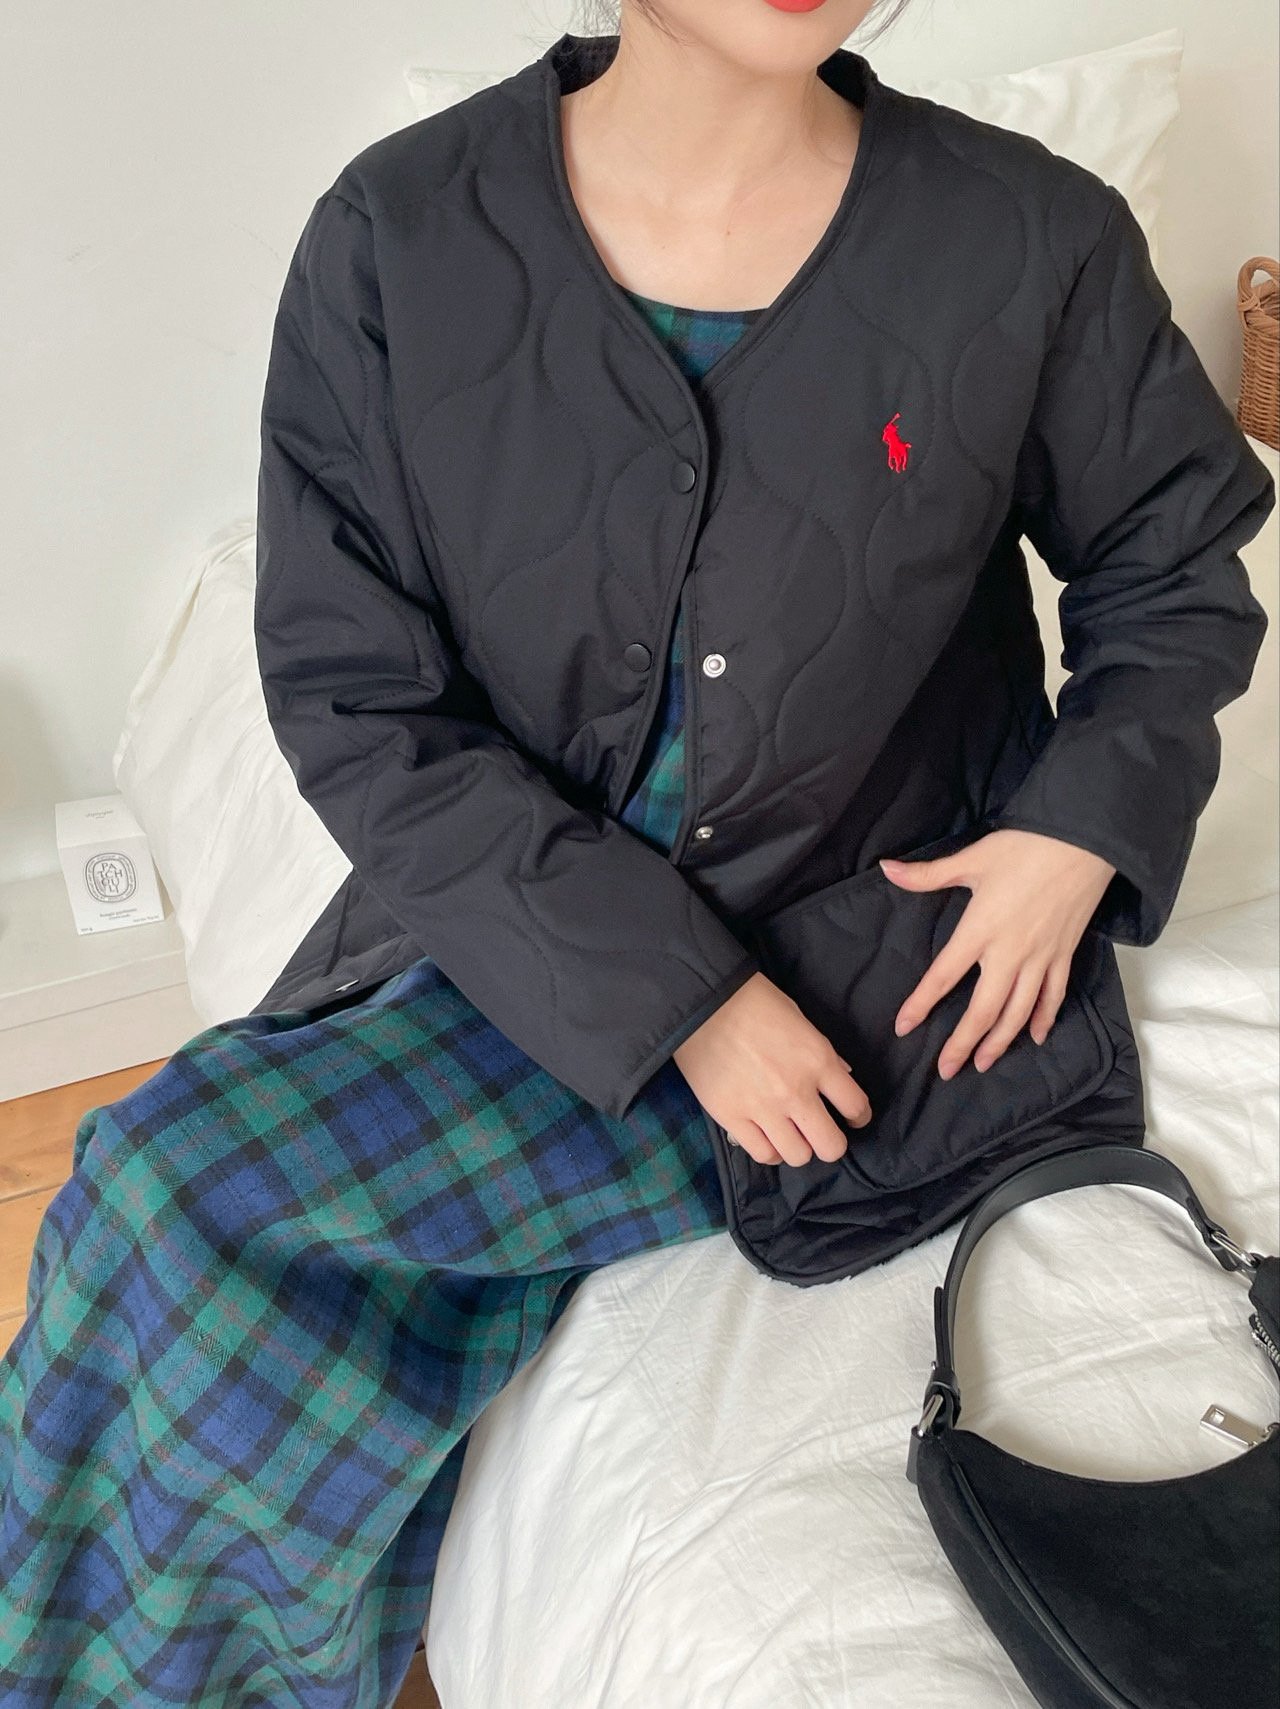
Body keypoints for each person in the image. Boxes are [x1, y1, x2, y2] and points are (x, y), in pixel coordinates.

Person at [1, 3, 1273, 1704]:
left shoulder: (1030, 235)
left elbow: (1175, 571)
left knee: (177, 1202)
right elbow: (359, 695)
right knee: (158, 1193)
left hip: (882, 971)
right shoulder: (396, 237)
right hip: (520, 922)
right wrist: (680, 1004)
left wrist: (1072, 834)